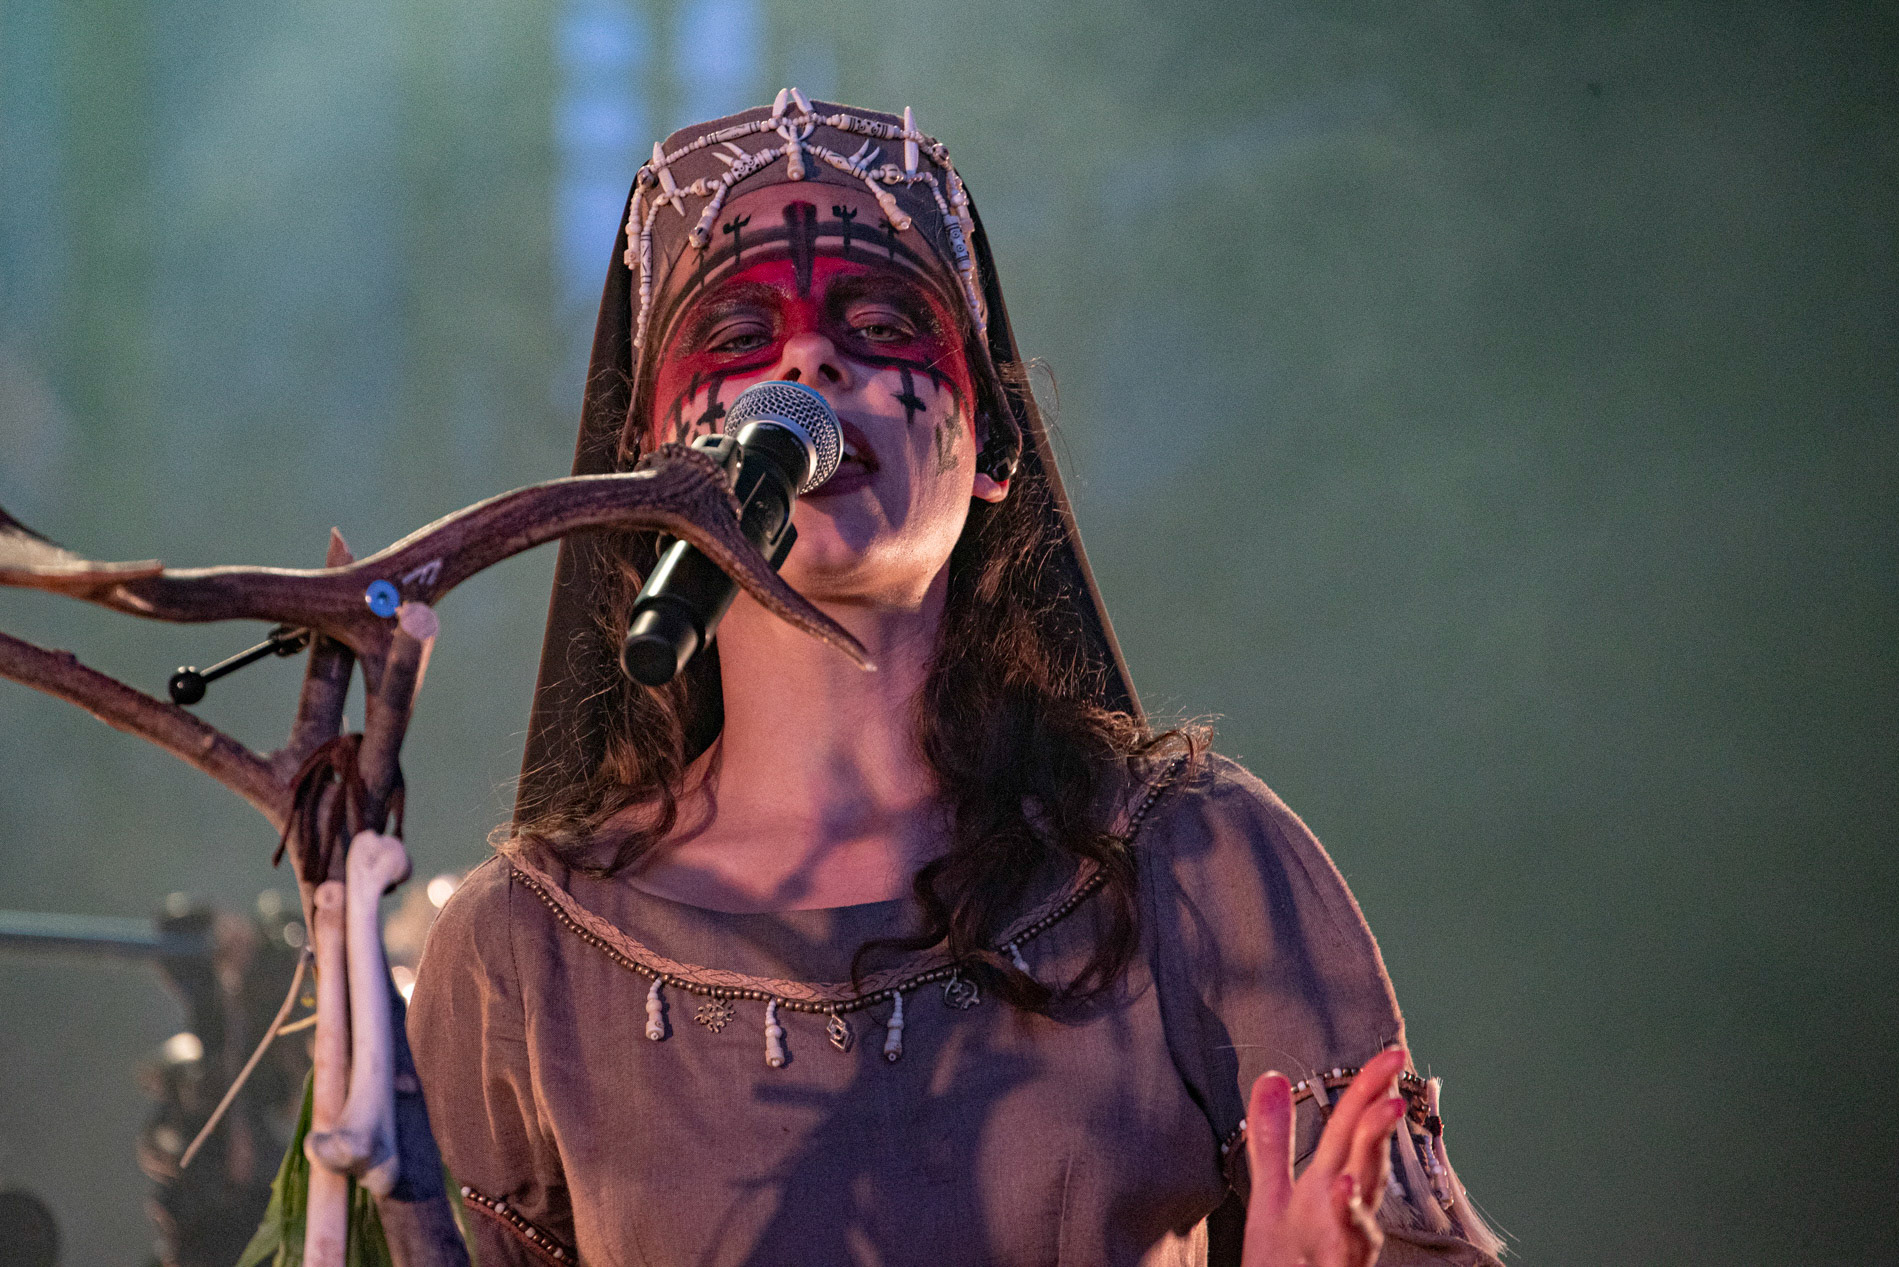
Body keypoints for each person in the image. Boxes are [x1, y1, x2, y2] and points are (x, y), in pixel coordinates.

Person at [409, 92, 1505, 1267]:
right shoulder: (520, 951)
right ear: (643, 465)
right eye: (734, 336)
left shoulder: (1195, 866)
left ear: (993, 445)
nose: (808, 357)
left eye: (881, 318)